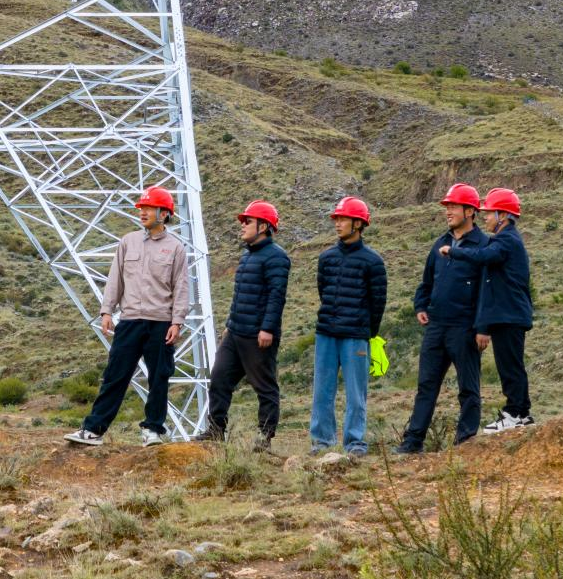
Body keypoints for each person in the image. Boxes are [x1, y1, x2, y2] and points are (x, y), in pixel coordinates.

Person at [65, 186, 189, 447]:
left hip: (161, 323)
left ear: (164, 214)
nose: (142, 212)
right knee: (115, 375)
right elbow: (115, 279)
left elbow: (181, 287)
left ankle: (152, 430)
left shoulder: (176, 248)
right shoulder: (127, 242)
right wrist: (107, 311)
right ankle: (94, 430)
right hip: (130, 321)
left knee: (159, 378)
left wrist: (177, 321)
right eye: (141, 208)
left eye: (149, 208)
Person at [393, 184, 488, 454]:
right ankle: (412, 442)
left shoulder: (484, 246)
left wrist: (483, 327)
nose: (448, 211)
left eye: (453, 206)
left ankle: (465, 443)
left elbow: (488, 292)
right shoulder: (439, 243)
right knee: (426, 386)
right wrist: (420, 305)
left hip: (465, 328)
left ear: (470, 211)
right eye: (447, 207)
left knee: (468, 387)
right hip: (436, 327)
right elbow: (426, 282)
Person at [197, 200, 291, 451]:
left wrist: (267, 329)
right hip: (236, 332)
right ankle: (216, 430)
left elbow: (276, 296)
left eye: (248, 221)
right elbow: (240, 295)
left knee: (264, 387)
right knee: (219, 379)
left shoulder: (277, 257)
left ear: (264, 226)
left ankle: (264, 438)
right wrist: (229, 325)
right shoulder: (247, 255)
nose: (242, 225)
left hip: (258, 335)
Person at [441, 187, 534, 433]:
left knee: (510, 366)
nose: (485, 218)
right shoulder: (507, 240)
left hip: (510, 315)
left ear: (503, 215)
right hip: (509, 314)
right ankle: (520, 413)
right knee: (510, 364)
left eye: (489, 213)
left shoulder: (506, 240)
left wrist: (454, 251)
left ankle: (516, 413)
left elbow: (484, 256)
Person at [310, 197, 387, 457]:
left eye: (343, 219)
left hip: (356, 336)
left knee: (356, 394)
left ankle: (355, 443)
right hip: (326, 334)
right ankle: (322, 442)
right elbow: (323, 291)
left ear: (358, 224)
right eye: (337, 219)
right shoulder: (326, 258)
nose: (338, 223)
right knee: (322, 391)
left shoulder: (373, 262)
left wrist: (367, 332)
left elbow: (378, 302)